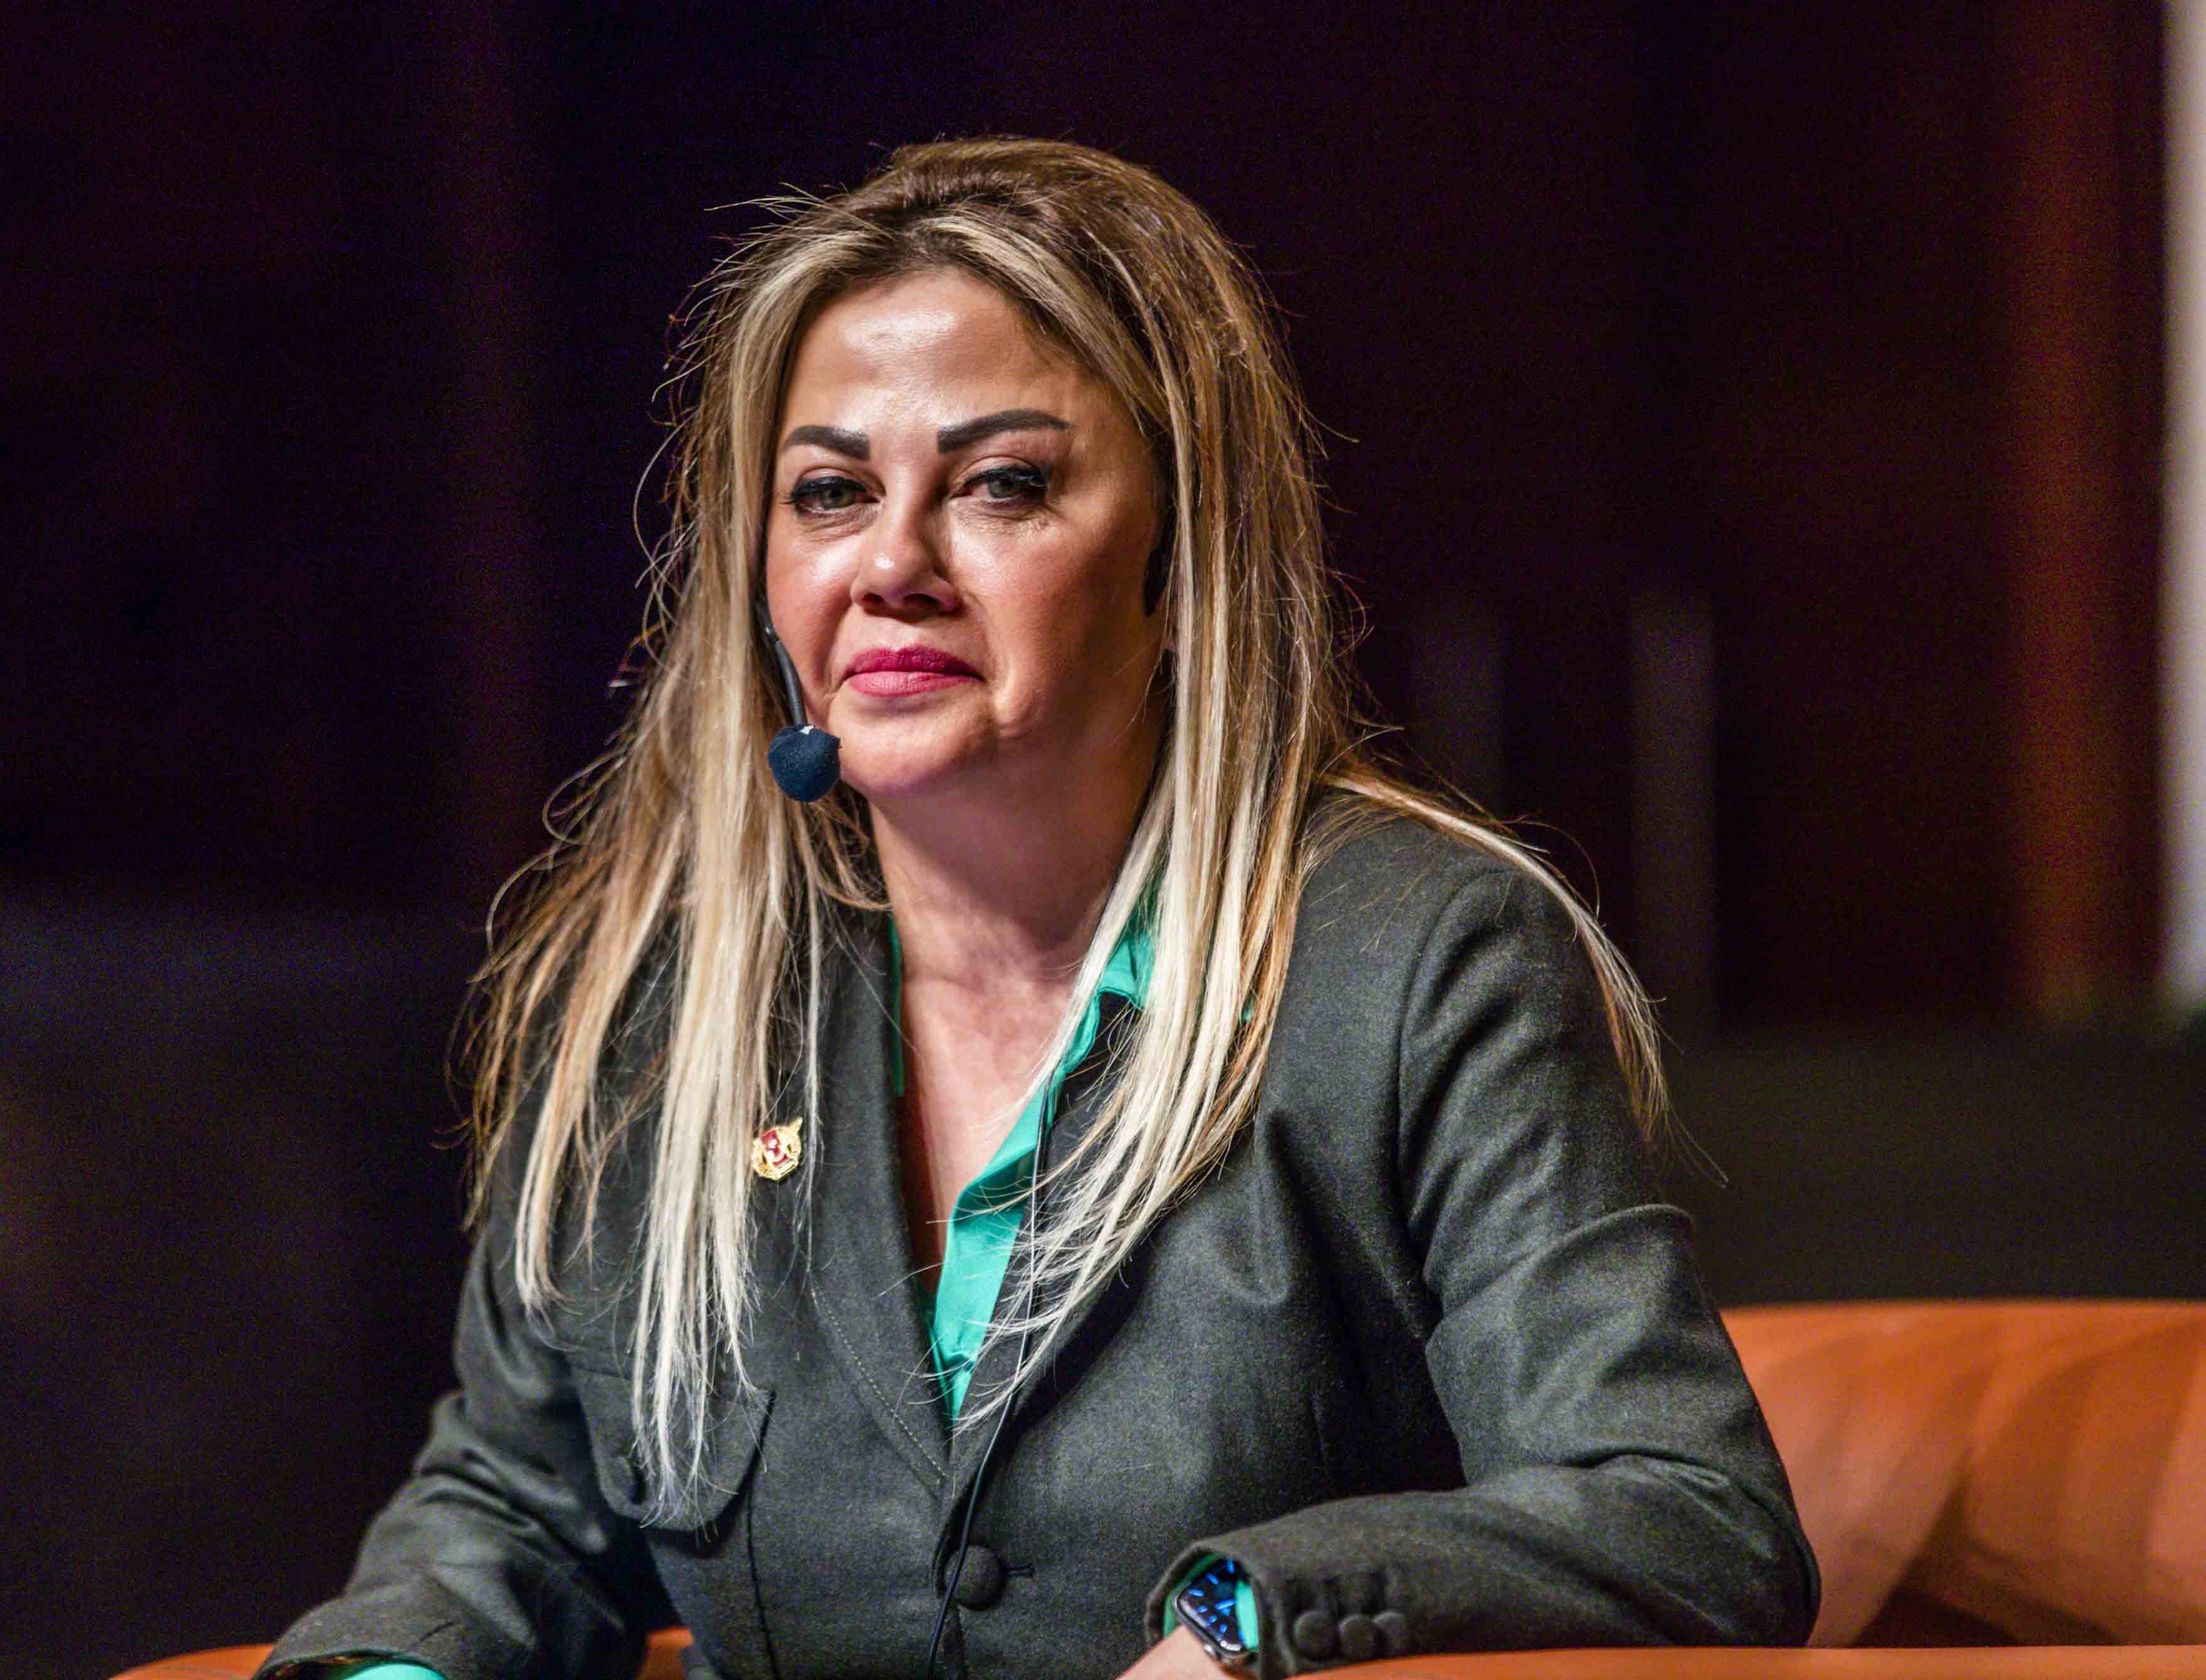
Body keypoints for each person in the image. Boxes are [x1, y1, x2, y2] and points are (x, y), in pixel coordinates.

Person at [257, 137, 1817, 1680]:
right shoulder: (658, 1014)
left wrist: (1243, 1625)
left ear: (1181, 559)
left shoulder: (1416, 963)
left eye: (1001, 483)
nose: (891, 561)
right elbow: (513, 1516)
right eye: (828, 491)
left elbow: (1683, 1514)